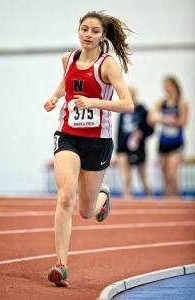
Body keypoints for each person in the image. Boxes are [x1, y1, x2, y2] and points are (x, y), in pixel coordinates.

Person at [44, 11, 134, 287]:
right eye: (84, 29)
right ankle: (61, 264)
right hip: (68, 134)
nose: (88, 35)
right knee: (65, 196)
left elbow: (127, 103)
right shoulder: (68, 58)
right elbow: (67, 82)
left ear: (103, 36)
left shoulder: (108, 66)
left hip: (98, 140)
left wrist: (94, 103)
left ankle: (102, 199)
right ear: (78, 30)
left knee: (85, 211)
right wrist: (54, 96)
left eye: (95, 31)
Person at [148, 76, 189, 196]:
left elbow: (183, 122)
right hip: (163, 142)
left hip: (176, 143)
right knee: (165, 176)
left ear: (174, 86)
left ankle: (177, 199)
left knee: (172, 175)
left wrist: (166, 119)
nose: (165, 88)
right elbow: (150, 118)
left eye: (167, 86)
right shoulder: (162, 102)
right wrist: (162, 118)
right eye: (164, 86)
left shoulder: (182, 102)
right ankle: (168, 201)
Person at [116, 85, 154, 196]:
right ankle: (127, 199)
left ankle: (150, 198)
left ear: (135, 95)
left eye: (132, 94)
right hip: (123, 148)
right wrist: (117, 150)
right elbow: (119, 131)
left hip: (139, 148)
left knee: (143, 177)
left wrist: (141, 133)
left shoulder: (142, 110)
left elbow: (150, 129)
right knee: (126, 178)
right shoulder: (123, 110)